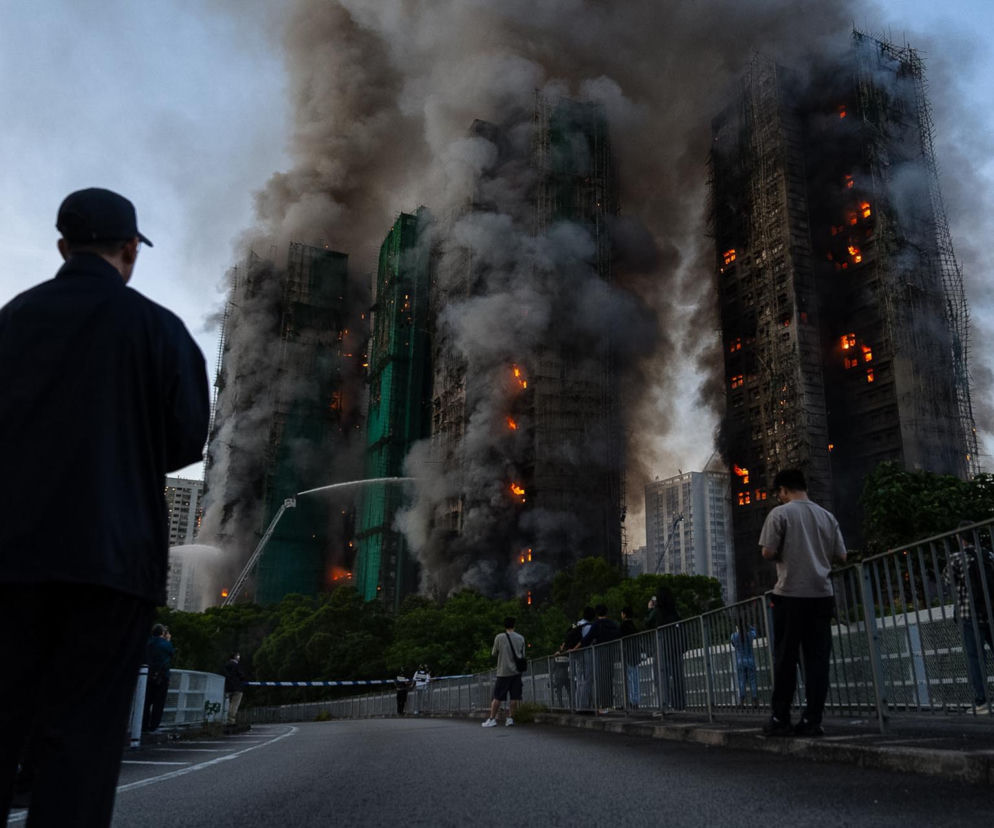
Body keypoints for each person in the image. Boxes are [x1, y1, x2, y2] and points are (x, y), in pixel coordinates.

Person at [0, 188, 210, 826]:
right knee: (83, 744)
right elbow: (184, 440)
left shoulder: (12, 320)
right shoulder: (160, 330)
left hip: (11, 561)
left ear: (63, 247)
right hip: (111, 564)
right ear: (129, 251)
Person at [759, 468, 847, 737]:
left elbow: (768, 551)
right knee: (817, 660)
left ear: (784, 490)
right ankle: (813, 720)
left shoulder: (780, 514)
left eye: (779, 493)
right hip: (822, 595)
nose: (780, 497)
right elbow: (841, 556)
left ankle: (780, 717)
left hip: (789, 595)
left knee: (786, 658)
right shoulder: (826, 516)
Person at [943, 522, 994, 714]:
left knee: (975, 658)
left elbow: (948, 582)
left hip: (969, 613)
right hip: (991, 612)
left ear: (959, 538)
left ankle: (982, 702)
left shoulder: (957, 558)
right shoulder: (989, 555)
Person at [482, 617, 526, 728]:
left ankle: (492, 719)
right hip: (516, 672)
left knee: (497, 697)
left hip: (503, 671)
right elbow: (522, 655)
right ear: (514, 625)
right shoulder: (521, 638)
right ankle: (510, 719)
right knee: (514, 697)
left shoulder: (499, 637)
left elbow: (494, 653)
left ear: (504, 625)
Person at [582, 604, 621, 712]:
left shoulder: (596, 625)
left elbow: (587, 639)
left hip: (600, 653)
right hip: (611, 653)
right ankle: (609, 703)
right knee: (609, 678)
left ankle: (602, 705)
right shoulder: (613, 624)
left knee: (600, 679)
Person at [143, 624, 175, 732]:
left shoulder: (148, 642)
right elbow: (171, 653)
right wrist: (168, 640)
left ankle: (143, 725)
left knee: (146, 701)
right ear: (163, 633)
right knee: (158, 702)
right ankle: (154, 726)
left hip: (146, 675)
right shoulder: (165, 644)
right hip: (162, 676)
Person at [730, 624, 759, 708]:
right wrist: (749, 626)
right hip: (750, 661)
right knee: (753, 681)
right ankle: (755, 702)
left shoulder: (734, 636)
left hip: (740, 661)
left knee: (741, 682)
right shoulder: (750, 635)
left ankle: (742, 702)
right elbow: (755, 632)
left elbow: (733, 644)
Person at [620, 607, 641, 708]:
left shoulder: (623, 626)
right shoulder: (634, 625)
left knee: (630, 678)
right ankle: (635, 700)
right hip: (635, 652)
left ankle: (632, 700)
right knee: (635, 677)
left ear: (624, 614)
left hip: (628, 653)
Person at [223, 652, 247, 727]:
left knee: (227, 704)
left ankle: (225, 719)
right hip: (237, 687)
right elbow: (242, 675)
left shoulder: (225, 665)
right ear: (234, 657)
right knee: (234, 704)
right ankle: (231, 721)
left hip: (227, 687)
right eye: (238, 655)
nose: (239, 657)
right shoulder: (236, 665)